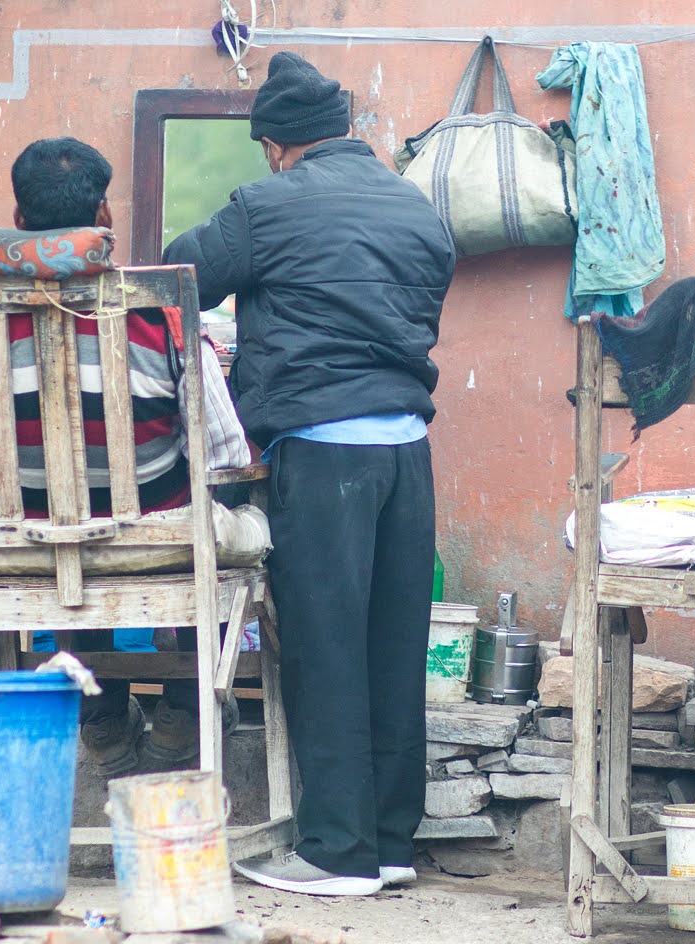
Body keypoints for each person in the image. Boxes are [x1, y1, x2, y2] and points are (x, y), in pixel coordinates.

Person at [164, 52, 456, 897]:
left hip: (322, 453)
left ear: (278, 145)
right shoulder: (416, 207)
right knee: (392, 645)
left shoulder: (266, 205)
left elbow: (177, 276)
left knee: (325, 651)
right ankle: (391, 842)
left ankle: (336, 852)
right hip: (406, 452)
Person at [0, 137, 254, 776]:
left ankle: (102, 723)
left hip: (22, 545)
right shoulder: (162, 313)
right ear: (103, 214)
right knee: (216, 524)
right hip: (156, 545)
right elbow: (221, 454)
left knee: (63, 538)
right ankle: (184, 716)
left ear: (19, 222)